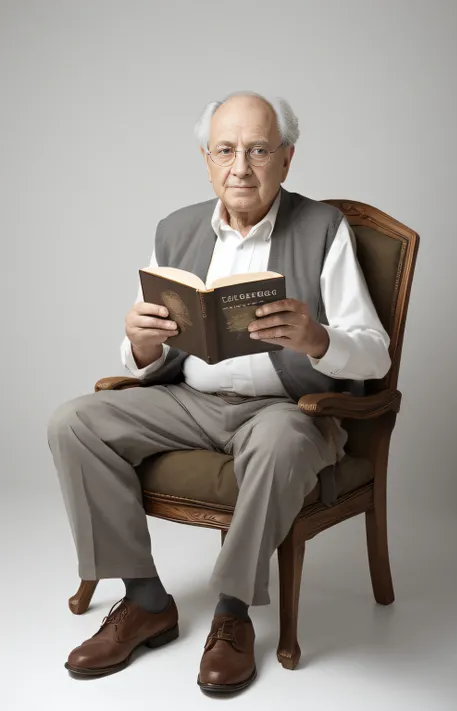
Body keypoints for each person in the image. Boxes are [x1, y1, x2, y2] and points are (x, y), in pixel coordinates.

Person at [48, 91, 391, 693]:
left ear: (286, 159)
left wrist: (317, 338)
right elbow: (145, 352)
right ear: (207, 159)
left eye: (259, 150)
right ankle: (145, 598)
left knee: (284, 443)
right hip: (189, 401)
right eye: (226, 150)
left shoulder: (324, 229)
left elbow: (374, 351)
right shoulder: (175, 229)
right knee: (74, 422)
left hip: (286, 409)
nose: (241, 167)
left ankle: (232, 615)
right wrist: (142, 343)